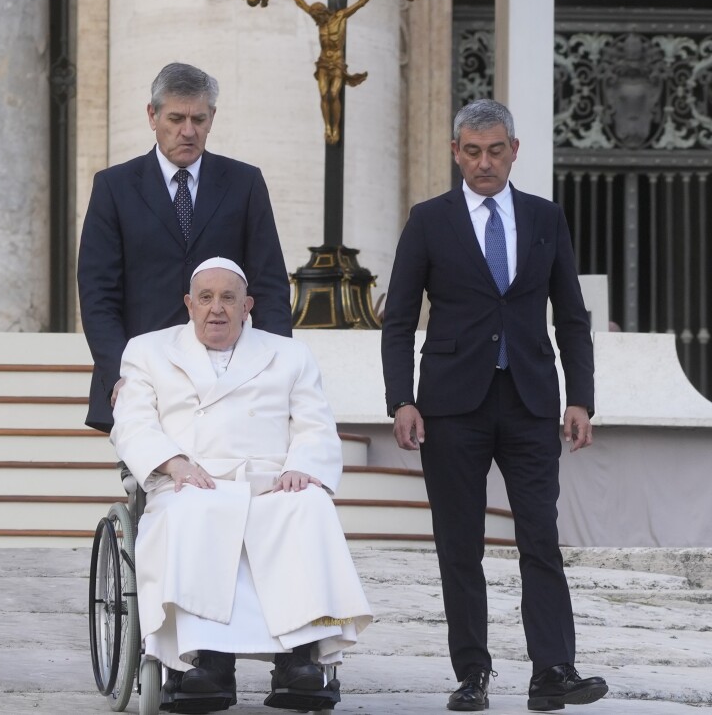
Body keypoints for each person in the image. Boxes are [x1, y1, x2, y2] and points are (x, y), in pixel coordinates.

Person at [381, 98, 606, 712]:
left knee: (540, 536)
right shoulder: (429, 220)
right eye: (472, 151)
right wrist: (401, 397)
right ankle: (472, 674)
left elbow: (574, 317)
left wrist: (580, 397)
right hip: (452, 406)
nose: (484, 163)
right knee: (460, 543)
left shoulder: (544, 218)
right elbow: (398, 318)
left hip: (532, 401)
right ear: (456, 152)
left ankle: (553, 670)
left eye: (495, 150)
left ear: (514, 150)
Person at [114, 257, 371, 713]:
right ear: (189, 305)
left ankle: (299, 661)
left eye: (228, 298)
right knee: (192, 509)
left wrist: (303, 466)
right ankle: (206, 662)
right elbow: (132, 420)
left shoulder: (288, 353)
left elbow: (314, 425)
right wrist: (172, 462)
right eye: (206, 298)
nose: (217, 309)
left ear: (247, 305)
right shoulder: (147, 350)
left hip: (270, 480)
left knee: (308, 505)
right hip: (191, 477)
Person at [79, 62, 291, 434]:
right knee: (151, 488)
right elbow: (98, 294)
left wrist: (277, 371)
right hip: (144, 378)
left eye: (199, 119)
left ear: (212, 118)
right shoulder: (114, 187)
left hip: (229, 376)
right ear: (152, 115)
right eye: (176, 118)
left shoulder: (245, 183)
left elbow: (269, 285)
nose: (188, 131)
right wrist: (119, 375)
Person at [284, 0, 388, 145]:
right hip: (323, 63)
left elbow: (361, 2)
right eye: (315, 17)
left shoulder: (339, 17)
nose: (316, 20)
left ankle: (335, 128)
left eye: (318, 16)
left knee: (333, 94)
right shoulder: (320, 21)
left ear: (323, 13)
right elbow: (301, 4)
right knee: (324, 95)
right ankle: (328, 128)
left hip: (338, 64)